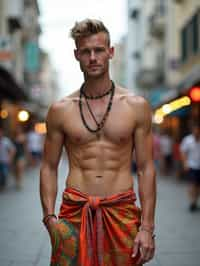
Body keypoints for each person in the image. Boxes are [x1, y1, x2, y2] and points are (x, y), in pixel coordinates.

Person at [40, 19, 156, 266]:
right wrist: (49, 219)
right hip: (74, 213)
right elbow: (48, 167)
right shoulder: (60, 110)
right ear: (76, 55)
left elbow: (146, 168)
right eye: (85, 51)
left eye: (99, 50)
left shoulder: (136, 106)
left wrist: (146, 227)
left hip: (121, 211)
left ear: (110, 52)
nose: (93, 57)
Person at [180, 123, 200, 212]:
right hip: (191, 165)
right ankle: (192, 202)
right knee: (192, 184)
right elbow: (183, 152)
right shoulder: (188, 140)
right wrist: (185, 163)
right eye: (195, 130)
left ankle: (195, 201)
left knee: (198, 186)